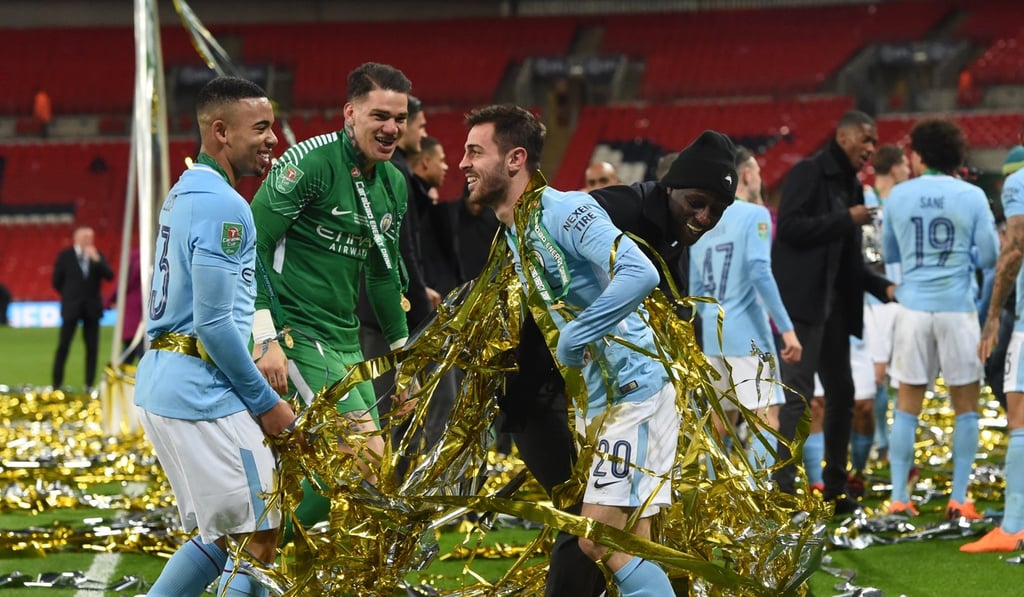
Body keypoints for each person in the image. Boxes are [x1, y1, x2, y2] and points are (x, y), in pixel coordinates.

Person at [495, 127, 738, 596]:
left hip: (612, 390)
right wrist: (567, 344)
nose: (704, 217)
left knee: (602, 528)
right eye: (697, 203)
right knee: (596, 527)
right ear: (672, 187)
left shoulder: (672, 233)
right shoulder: (613, 209)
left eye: (716, 210)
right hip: (544, 390)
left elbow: (670, 310)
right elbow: (537, 274)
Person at [461, 102, 681, 596]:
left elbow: (639, 271)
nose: (463, 163)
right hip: (604, 399)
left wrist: (576, 335)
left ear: (515, 159)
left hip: (634, 391)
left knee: (597, 540)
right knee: (632, 541)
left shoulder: (565, 209)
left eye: (476, 151)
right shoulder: (517, 229)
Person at [134, 76, 295, 597]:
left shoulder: (186, 193)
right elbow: (214, 323)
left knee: (224, 536)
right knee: (260, 537)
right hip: (201, 395)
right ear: (221, 131)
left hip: (167, 384)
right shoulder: (226, 206)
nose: (273, 139)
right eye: (262, 128)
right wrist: (266, 402)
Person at [250, 62, 412, 527]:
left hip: (345, 342)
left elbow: (383, 276)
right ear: (349, 113)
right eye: (379, 115)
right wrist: (265, 336)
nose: (391, 128)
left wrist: (403, 359)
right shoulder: (309, 165)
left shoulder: (394, 184)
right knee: (364, 457)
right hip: (295, 332)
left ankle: (260, 561)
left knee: (364, 473)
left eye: (399, 118)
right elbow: (253, 244)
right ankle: (252, 563)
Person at [771, 110, 895, 514]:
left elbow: (850, 258)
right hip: (805, 303)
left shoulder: (852, 185)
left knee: (841, 392)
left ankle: (836, 488)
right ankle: (783, 491)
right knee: (798, 395)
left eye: (875, 143)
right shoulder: (808, 173)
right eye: (867, 139)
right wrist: (846, 219)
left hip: (836, 305)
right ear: (843, 137)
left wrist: (883, 286)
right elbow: (789, 228)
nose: (871, 149)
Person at [881, 118, 999, 518]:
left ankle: (899, 496)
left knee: (907, 405)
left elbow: (891, 254)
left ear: (917, 154)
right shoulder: (971, 195)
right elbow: (989, 258)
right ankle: (960, 497)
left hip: (912, 309)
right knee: (966, 405)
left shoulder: (898, 196)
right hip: (956, 308)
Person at [690, 145, 802, 469]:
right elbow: (760, 272)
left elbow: (695, 291)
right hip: (748, 335)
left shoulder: (703, 221)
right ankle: (756, 507)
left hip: (713, 334)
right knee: (767, 419)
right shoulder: (755, 214)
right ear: (749, 174)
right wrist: (787, 330)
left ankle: (718, 505)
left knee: (719, 422)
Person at [965, 141, 1024, 552]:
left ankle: (1013, 526)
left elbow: (1015, 248)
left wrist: (991, 319)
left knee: (1018, 413)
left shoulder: (1019, 182)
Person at [861, 144, 911, 465]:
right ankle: (881, 440)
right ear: (894, 168)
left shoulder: (908, 200)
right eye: (905, 164)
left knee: (903, 374)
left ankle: (897, 441)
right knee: (877, 374)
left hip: (904, 293)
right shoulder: (863, 198)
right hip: (874, 296)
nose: (909, 169)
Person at [51, 225, 114, 390]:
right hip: (71, 307)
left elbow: (109, 276)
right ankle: (57, 384)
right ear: (76, 238)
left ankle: (88, 384)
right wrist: (70, 295)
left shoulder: (97, 255)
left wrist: (97, 260)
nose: (89, 241)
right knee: (64, 346)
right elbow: (56, 281)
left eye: (91, 238)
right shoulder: (65, 256)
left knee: (92, 348)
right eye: (86, 238)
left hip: (92, 308)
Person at [107, 246, 144, 364]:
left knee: (131, 345)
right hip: (142, 306)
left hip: (133, 307)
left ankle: (123, 376)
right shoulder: (143, 258)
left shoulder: (133, 260)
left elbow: (122, 283)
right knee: (138, 345)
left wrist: (108, 301)